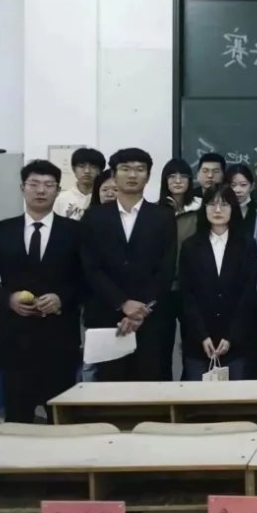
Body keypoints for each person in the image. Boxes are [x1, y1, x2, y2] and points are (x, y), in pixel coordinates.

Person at [0, 160, 83, 423]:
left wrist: (62, 298)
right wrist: (7, 299)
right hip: (15, 336)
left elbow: (87, 279)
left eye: (48, 185)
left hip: (59, 335)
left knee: (62, 415)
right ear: (23, 188)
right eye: (34, 184)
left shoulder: (76, 232)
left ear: (57, 190)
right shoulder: (1, 231)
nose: (41, 191)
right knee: (17, 414)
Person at [81, 148, 177, 381]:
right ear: (113, 175)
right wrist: (122, 303)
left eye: (139, 169)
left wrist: (142, 309)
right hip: (107, 317)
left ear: (148, 176)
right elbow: (90, 267)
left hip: (152, 320)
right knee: (109, 388)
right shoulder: (94, 217)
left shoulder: (163, 216)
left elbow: (166, 268)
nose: (133, 175)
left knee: (153, 386)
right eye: (125, 169)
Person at [179, 185, 257, 381]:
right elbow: (187, 295)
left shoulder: (247, 244)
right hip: (198, 341)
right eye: (211, 204)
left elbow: (248, 294)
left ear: (233, 208)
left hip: (236, 340)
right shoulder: (190, 246)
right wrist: (202, 335)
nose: (217, 210)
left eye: (224, 204)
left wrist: (231, 336)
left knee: (234, 397)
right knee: (198, 397)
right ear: (204, 208)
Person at [157, 158, 201, 380]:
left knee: (192, 342)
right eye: (172, 176)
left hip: (191, 285)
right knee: (161, 343)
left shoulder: (200, 208)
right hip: (162, 287)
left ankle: (188, 386)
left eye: (183, 176)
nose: (177, 181)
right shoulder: (154, 211)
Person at [225, 164, 257, 262]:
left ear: (251, 186)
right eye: (233, 185)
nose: (238, 190)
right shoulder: (219, 215)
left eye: (243, 185)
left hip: (254, 270)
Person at [53, 147, 106, 220]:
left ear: (100, 171)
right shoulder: (61, 199)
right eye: (81, 166)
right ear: (74, 169)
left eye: (93, 167)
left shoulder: (105, 197)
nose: (87, 171)